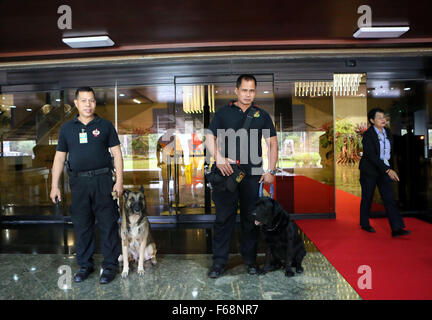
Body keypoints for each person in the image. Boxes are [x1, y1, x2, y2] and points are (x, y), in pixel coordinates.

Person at [205, 74, 278, 278]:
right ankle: (219, 263)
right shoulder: (223, 113)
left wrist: (271, 170)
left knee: (250, 219)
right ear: (236, 90)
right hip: (227, 173)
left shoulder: (261, 115)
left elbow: (272, 143)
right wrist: (218, 157)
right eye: (244, 90)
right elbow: (209, 136)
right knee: (223, 219)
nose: (248, 94)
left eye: (252, 90)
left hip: (253, 175)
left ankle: (250, 261)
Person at [50, 87, 124, 284]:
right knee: (83, 225)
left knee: (108, 224)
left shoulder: (106, 125)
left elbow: (117, 153)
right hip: (79, 183)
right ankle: (85, 265)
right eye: (84, 100)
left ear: (95, 103)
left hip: (103, 181)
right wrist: (54, 186)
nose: (88, 104)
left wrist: (119, 181)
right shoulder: (67, 129)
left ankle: (109, 266)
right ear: (76, 103)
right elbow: (59, 158)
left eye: (91, 100)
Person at [359, 108, 411, 237]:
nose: (383, 119)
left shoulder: (387, 132)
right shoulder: (368, 135)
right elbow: (371, 156)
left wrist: (390, 168)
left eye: (384, 117)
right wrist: (388, 170)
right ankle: (364, 224)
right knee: (367, 198)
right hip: (370, 171)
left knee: (389, 199)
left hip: (384, 170)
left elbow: (389, 153)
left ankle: (397, 228)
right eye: (379, 117)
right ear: (372, 120)